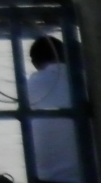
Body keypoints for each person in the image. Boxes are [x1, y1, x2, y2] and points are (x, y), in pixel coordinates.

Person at [27, 35, 82, 183]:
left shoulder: (32, 83)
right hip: (87, 174)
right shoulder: (82, 80)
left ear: (35, 63)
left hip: (45, 177)